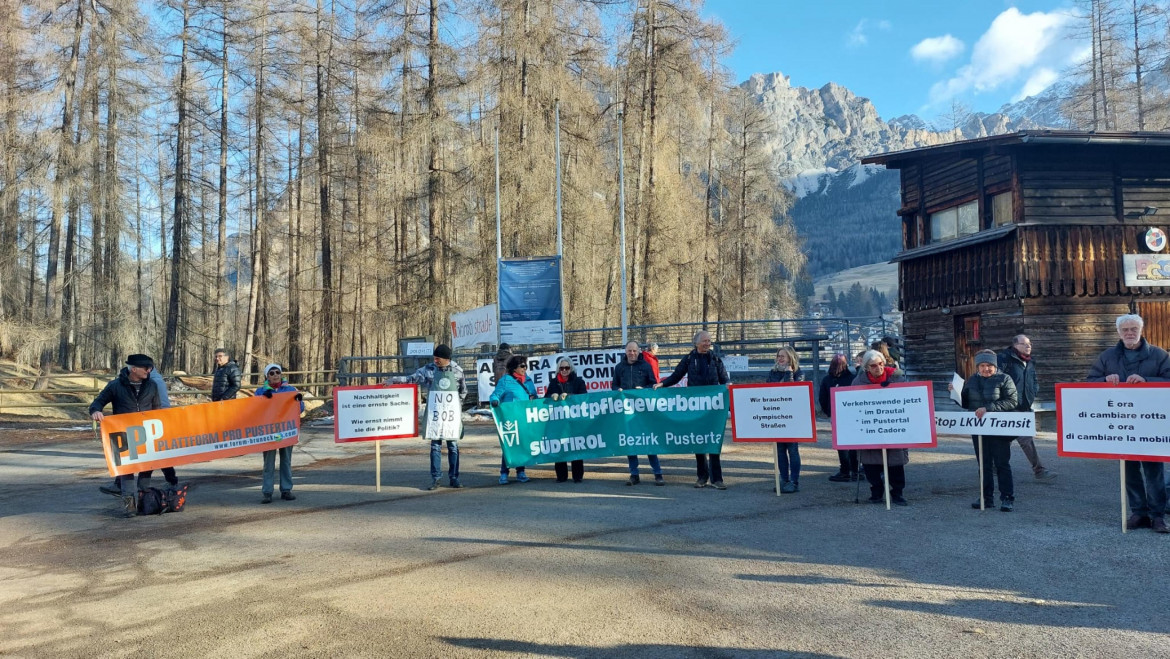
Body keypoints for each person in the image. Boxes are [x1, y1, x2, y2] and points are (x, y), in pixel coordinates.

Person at [1088, 313, 1170, 533]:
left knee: (1154, 472)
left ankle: (1158, 516)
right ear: (1118, 332)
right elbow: (1089, 383)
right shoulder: (1107, 357)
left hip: (1151, 424)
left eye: (1134, 329)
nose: (1130, 333)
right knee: (1129, 470)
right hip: (1121, 424)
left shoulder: (1159, 355)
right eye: (1125, 330)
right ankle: (1138, 512)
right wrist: (1103, 380)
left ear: (1141, 330)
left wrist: (1148, 381)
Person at [89, 354, 166, 517]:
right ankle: (129, 503)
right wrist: (96, 411)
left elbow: (157, 409)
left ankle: (144, 498)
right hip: (123, 434)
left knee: (147, 467)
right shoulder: (115, 386)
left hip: (146, 433)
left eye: (150, 368)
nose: (149, 370)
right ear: (133, 369)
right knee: (127, 469)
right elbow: (97, 402)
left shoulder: (152, 385)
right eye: (146, 368)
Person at [656, 330, 730, 489]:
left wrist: (730, 388)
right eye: (704, 341)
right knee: (699, 442)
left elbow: (725, 381)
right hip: (695, 408)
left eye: (709, 341)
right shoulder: (689, 359)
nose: (708, 343)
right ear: (696, 343)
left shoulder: (716, 359)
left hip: (713, 409)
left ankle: (717, 479)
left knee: (713, 441)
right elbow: (676, 375)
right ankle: (702, 477)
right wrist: (663, 384)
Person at [392, 344, 467, 490]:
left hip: (451, 417)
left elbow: (463, 391)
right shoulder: (428, 370)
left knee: (453, 447)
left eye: (438, 358)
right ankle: (436, 478)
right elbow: (411, 379)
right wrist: (392, 381)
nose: (435, 360)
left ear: (446, 358)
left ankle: (454, 477)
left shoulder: (458, 371)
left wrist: (456, 407)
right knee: (435, 447)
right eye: (434, 357)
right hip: (435, 415)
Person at [956, 349, 1019, 512]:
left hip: (999, 429)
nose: (986, 369)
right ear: (977, 367)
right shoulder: (972, 380)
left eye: (989, 365)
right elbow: (965, 403)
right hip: (979, 429)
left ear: (995, 366)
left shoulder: (1004, 379)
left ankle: (1007, 497)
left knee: (1001, 464)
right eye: (982, 365)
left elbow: (1012, 401)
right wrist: (954, 393)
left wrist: (989, 408)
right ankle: (986, 497)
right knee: (983, 464)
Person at [99, 366, 175, 497]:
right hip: (150, 420)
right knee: (153, 455)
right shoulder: (153, 380)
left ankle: (138, 490)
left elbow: (157, 403)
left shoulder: (151, 383)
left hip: (145, 421)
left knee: (144, 456)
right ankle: (167, 482)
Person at [851, 349, 910, 506]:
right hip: (870, 428)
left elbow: (907, 399)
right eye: (874, 365)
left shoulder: (897, 378)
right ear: (866, 368)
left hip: (892, 428)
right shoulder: (858, 382)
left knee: (895, 463)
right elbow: (851, 404)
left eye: (880, 364)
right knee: (870, 464)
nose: (878, 368)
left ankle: (897, 493)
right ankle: (876, 492)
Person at [997, 335, 1055, 480]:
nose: (1028, 346)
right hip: (1007, 408)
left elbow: (1033, 380)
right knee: (1010, 440)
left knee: (1023, 439)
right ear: (1015, 345)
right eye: (1024, 344)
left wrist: (1033, 392)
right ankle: (1038, 470)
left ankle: (1038, 470)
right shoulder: (1003, 359)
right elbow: (997, 380)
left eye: (1029, 344)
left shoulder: (1029, 361)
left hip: (1024, 407)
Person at [613, 341, 664, 486]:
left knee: (649, 441)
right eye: (629, 351)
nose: (632, 353)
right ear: (625, 352)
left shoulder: (646, 366)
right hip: (627, 411)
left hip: (643, 412)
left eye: (634, 351)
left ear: (639, 351)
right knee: (631, 443)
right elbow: (614, 386)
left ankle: (658, 473)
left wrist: (644, 389)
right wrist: (618, 391)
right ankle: (634, 474)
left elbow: (653, 385)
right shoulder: (619, 368)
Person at [256, 363, 304, 503]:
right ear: (267, 376)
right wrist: (263, 399)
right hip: (268, 432)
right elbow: (254, 411)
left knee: (286, 461)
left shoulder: (290, 390)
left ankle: (286, 490)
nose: (275, 375)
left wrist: (299, 402)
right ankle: (267, 492)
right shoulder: (260, 391)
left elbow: (299, 409)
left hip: (286, 431)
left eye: (277, 372)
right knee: (268, 463)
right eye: (271, 373)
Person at [490, 355, 536, 484]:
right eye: (522, 366)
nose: (524, 368)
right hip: (510, 419)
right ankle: (504, 473)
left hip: (524, 418)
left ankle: (521, 471)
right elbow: (495, 395)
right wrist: (495, 401)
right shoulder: (506, 380)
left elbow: (534, 395)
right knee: (510, 445)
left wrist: (534, 398)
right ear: (514, 368)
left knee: (521, 445)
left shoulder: (528, 380)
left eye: (525, 366)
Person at [767, 346, 805, 493]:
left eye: (783, 356)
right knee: (780, 450)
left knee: (793, 450)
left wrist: (789, 373)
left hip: (792, 417)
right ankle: (784, 479)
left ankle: (794, 481)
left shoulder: (798, 373)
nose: (780, 358)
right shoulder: (773, 372)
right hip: (776, 415)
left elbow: (793, 391)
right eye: (778, 356)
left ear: (790, 357)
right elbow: (768, 390)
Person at [545, 358, 587, 483]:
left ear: (571, 368)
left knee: (576, 445)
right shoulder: (553, 382)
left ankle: (577, 476)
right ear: (558, 369)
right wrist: (551, 396)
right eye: (562, 368)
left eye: (566, 368)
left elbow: (584, 397)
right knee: (559, 445)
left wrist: (570, 396)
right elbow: (545, 398)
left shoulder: (579, 381)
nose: (564, 370)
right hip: (558, 421)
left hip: (574, 419)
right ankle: (561, 476)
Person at [818, 353, 857, 482]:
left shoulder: (827, 380)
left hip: (837, 415)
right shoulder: (852, 378)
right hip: (851, 414)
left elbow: (822, 399)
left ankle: (845, 470)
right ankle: (855, 470)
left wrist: (828, 412)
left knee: (842, 444)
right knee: (853, 443)